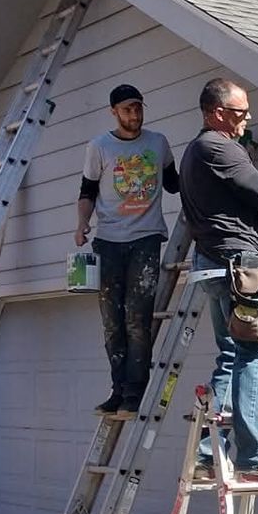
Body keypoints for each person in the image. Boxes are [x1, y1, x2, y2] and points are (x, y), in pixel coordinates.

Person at [179, 76, 258, 488]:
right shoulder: (217, 147)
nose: (247, 118)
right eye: (240, 112)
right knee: (255, 354)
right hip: (240, 268)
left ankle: (205, 457)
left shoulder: (196, 151)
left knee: (232, 356)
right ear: (217, 113)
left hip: (215, 265)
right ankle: (255, 458)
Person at [75, 83, 178, 413]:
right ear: (114, 112)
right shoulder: (100, 147)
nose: (134, 115)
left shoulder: (158, 143)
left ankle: (136, 390)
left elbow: (176, 184)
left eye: (138, 108)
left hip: (146, 237)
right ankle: (118, 388)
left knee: (137, 316)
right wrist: (81, 224)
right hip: (109, 241)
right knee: (112, 320)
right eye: (127, 110)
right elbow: (87, 191)